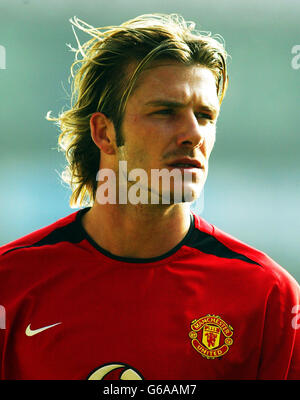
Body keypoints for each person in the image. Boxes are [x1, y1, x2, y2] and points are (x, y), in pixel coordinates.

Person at [0, 13, 299, 380]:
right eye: (165, 112)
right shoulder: (10, 283)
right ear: (104, 132)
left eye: (205, 116)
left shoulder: (269, 297)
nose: (193, 134)